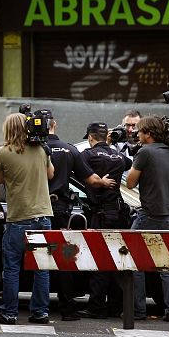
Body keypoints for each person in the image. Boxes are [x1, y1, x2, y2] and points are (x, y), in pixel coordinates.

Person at [44, 116, 116, 321]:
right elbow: (90, 179)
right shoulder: (70, 150)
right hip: (61, 210)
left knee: (32, 257)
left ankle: (37, 306)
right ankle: (67, 307)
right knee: (64, 259)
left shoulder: (32, 149)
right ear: (54, 124)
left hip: (36, 209)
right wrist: (103, 182)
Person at [0, 113, 54, 325]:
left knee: (12, 268)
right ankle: (40, 312)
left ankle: (10, 312)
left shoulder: (4, 152)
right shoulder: (41, 149)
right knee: (41, 268)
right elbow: (51, 174)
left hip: (18, 218)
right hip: (43, 215)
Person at [126, 116, 169, 322]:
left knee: (134, 260)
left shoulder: (145, 152)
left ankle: (137, 309)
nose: (137, 135)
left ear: (148, 134)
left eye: (139, 132)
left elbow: (131, 183)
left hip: (151, 215)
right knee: (168, 264)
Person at [78, 122, 132, 319]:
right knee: (117, 261)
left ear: (91, 137)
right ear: (106, 137)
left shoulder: (87, 155)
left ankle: (97, 307)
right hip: (118, 214)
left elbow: (80, 172)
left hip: (100, 215)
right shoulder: (119, 157)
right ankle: (116, 306)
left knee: (99, 260)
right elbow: (129, 164)